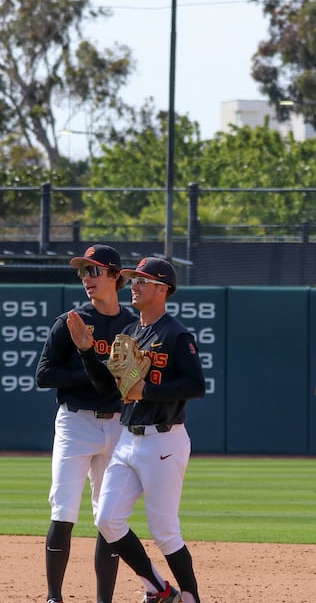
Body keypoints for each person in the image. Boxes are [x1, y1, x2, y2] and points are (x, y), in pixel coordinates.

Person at [71, 257, 206, 603]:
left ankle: (191, 597)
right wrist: (87, 351)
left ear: (162, 290)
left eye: (142, 280)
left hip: (164, 440)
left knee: (164, 530)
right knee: (107, 518)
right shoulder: (131, 332)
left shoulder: (176, 334)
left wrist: (147, 390)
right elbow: (108, 386)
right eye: (133, 279)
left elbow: (195, 384)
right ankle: (158, 588)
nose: (134, 285)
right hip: (129, 438)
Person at [35, 244, 138, 603]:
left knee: (108, 516)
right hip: (75, 424)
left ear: (116, 277)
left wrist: (114, 375)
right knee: (63, 509)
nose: (86, 278)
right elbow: (43, 374)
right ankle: (53, 597)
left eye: (94, 270)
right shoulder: (71, 321)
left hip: (117, 426)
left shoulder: (134, 324)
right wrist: (93, 368)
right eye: (83, 272)